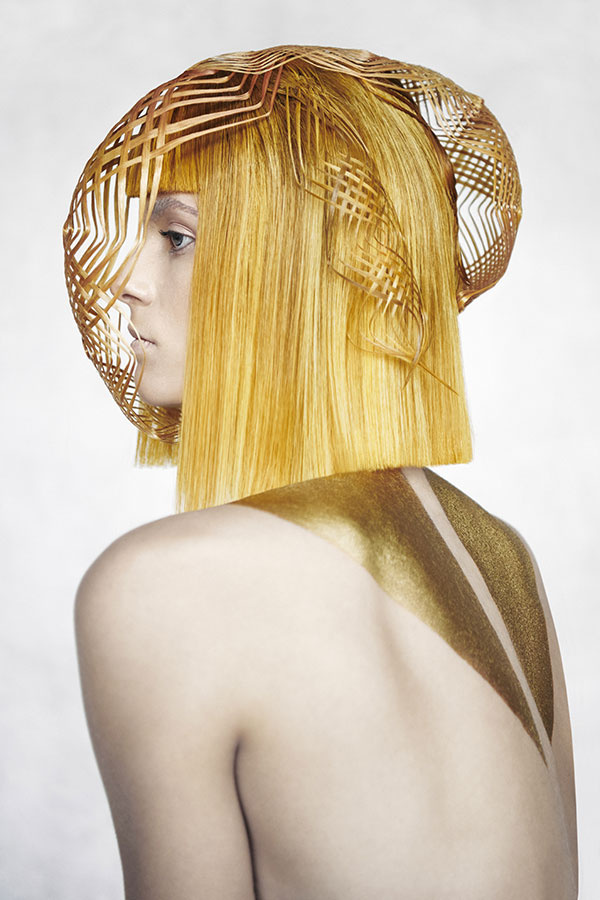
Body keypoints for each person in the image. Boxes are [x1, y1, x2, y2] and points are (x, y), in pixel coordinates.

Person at [64, 45, 578, 899]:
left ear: (296, 265)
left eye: (178, 237)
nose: (126, 281)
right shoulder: (505, 560)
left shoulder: (163, 586)